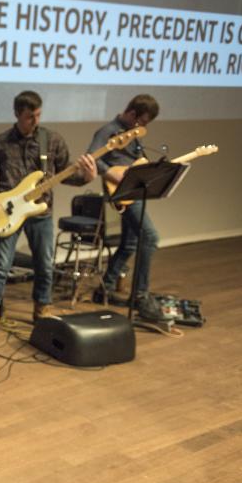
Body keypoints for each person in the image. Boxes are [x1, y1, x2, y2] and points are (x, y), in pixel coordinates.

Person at [0, 90, 97, 337]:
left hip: (41, 212)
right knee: (0, 266)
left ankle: (42, 307)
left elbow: (66, 174)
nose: (36, 121)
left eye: (39, 115)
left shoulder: (51, 140)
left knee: (44, 264)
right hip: (8, 214)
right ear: (17, 114)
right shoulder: (0, 143)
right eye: (30, 116)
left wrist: (86, 177)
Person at [88, 94, 162, 318]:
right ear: (131, 114)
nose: (143, 127)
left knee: (130, 243)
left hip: (134, 191)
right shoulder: (108, 131)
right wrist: (113, 175)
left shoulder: (134, 134)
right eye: (141, 121)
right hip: (122, 191)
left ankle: (105, 289)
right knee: (149, 237)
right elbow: (92, 157)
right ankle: (140, 295)